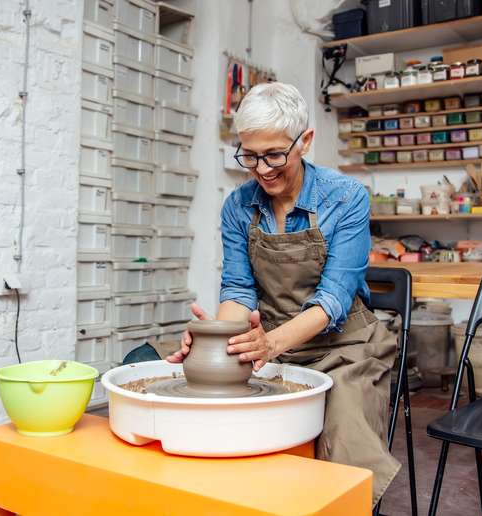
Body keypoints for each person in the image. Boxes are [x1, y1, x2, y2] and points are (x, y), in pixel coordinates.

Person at [166, 82, 401, 508]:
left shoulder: (346, 198)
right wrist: (216, 338)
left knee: (344, 428)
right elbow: (238, 289)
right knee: (223, 423)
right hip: (272, 345)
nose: (262, 168)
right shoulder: (239, 205)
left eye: (274, 154)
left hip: (345, 346)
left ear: (305, 141)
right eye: (249, 155)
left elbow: (333, 299)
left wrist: (269, 344)